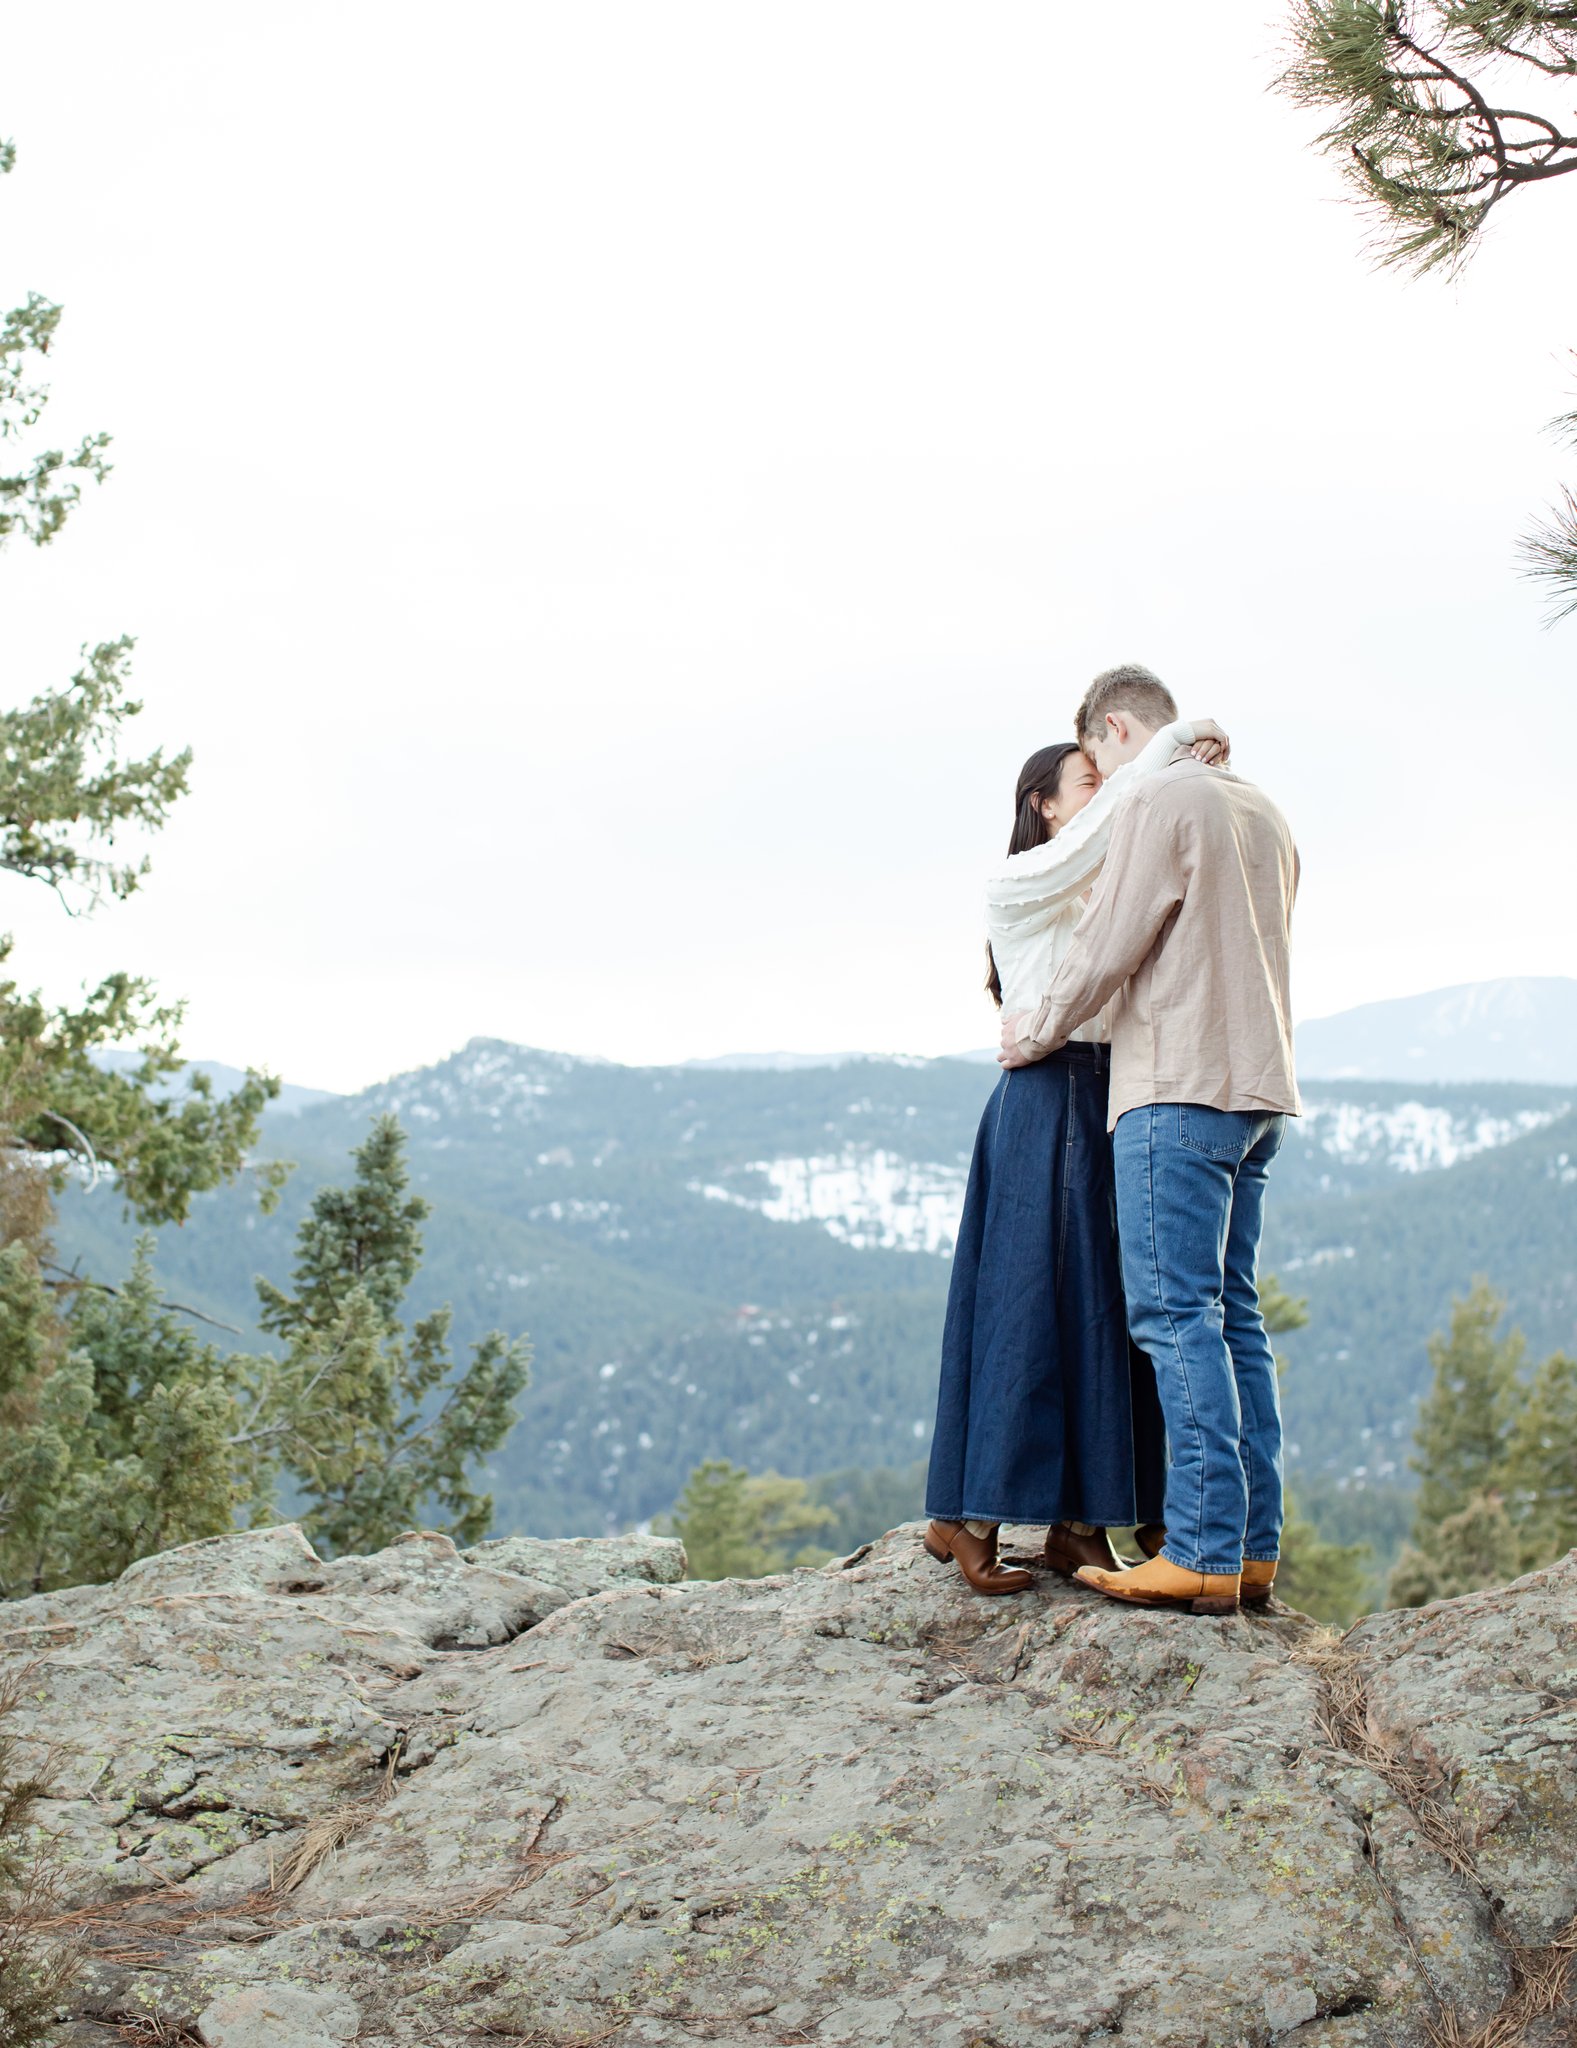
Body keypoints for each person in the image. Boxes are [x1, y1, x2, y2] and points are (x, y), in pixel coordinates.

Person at [999, 663, 1299, 1617]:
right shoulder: (1261, 809)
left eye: (1095, 759)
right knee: (1236, 1318)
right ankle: (1250, 1548)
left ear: (1116, 732)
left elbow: (1107, 945)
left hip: (1173, 1087)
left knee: (1174, 1318)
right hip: (1257, 1089)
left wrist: (1035, 1028)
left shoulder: (1157, 802)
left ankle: (1201, 1549)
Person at [922, 699, 1230, 1596]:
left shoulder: (1095, 873)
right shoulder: (1018, 882)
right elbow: (1107, 835)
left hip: (1111, 1097)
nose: (1107, 799)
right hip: (1044, 1098)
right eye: (1088, 784)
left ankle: (1080, 1523)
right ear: (1045, 804)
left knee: (1106, 1307)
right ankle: (966, 1514)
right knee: (1026, 1303)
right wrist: (1171, 745)